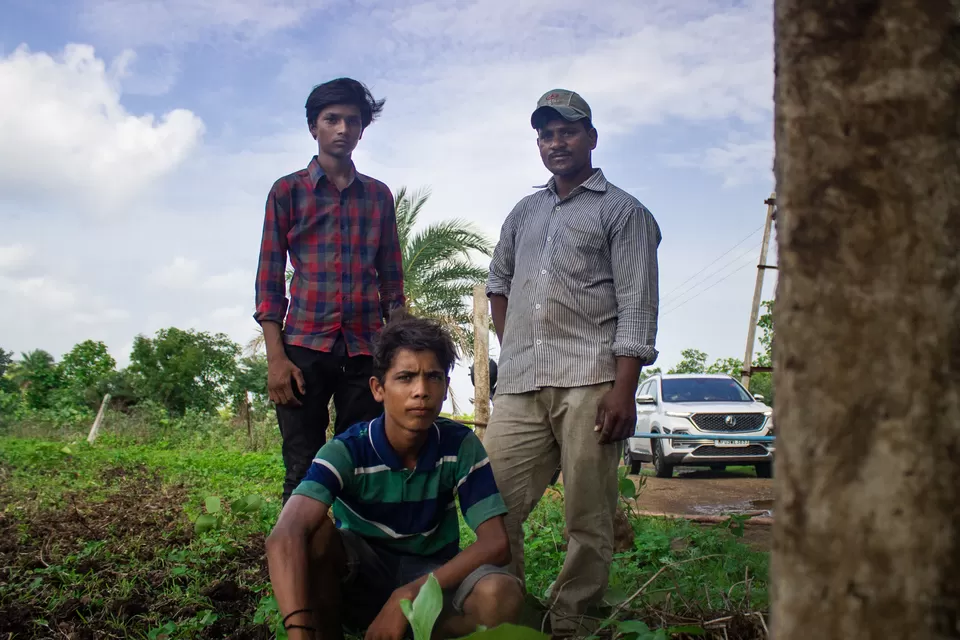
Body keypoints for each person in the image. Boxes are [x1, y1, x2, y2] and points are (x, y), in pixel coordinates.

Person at [484, 89, 661, 636]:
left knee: (587, 517)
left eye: (567, 131)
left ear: (591, 138)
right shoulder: (524, 211)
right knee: (491, 505)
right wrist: (514, 346)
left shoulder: (623, 211)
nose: (556, 142)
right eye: (546, 133)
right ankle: (505, 610)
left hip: (591, 382)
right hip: (519, 385)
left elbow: (637, 305)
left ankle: (570, 621)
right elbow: (498, 284)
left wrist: (623, 390)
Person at [265, 313, 525, 640]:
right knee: (314, 531)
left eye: (433, 377)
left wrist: (408, 593)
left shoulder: (459, 445)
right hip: (360, 577)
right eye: (405, 377)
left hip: (430, 577)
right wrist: (299, 632)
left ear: (445, 388)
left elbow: (496, 543)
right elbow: (284, 536)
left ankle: (415, 633)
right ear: (378, 389)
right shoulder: (347, 451)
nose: (420, 391)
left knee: (500, 593)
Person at [254, 77, 406, 504]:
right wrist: (276, 359)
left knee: (359, 459)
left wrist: (398, 352)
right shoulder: (287, 191)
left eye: (352, 121)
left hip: (365, 351)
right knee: (302, 467)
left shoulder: (378, 197)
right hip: (303, 346)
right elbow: (269, 279)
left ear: (362, 130)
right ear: (313, 127)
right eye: (331, 119)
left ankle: (353, 564)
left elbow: (391, 282)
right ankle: (298, 566)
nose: (342, 128)